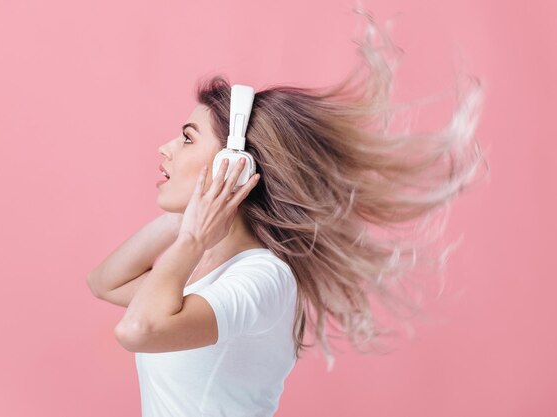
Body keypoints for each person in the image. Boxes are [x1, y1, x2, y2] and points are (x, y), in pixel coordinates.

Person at [86, 7, 488, 417]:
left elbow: (137, 330)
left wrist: (193, 234)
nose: (166, 148)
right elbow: (104, 282)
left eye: (187, 139)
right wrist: (194, 213)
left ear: (233, 164)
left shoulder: (263, 277)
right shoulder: (199, 268)